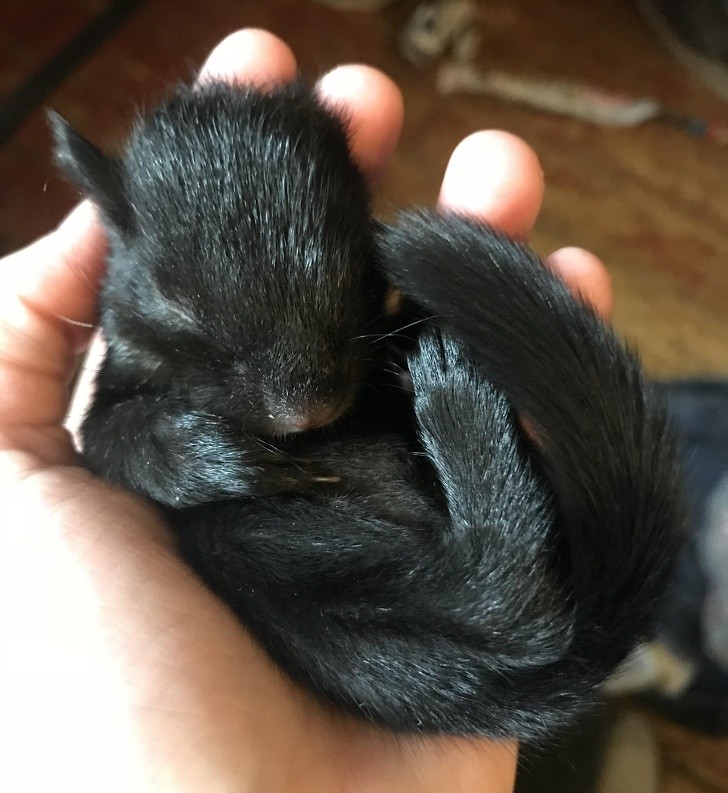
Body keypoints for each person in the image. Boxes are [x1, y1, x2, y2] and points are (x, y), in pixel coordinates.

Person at [0, 29, 613, 793]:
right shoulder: (139, 327)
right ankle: (509, 587)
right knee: (237, 544)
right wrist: (164, 446)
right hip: (389, 619)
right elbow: (111, 433)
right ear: (122, 226)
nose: (301, 412)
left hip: (427, 557)